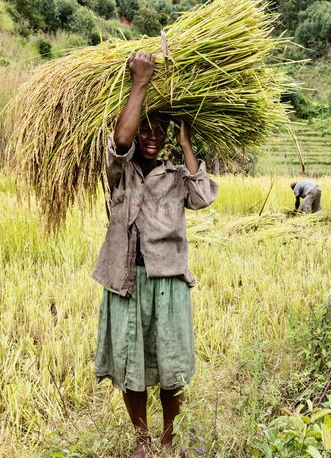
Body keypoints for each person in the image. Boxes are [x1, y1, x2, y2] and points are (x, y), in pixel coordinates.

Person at [91, 51, 218, 458]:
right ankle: (142, 440)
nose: (150, 137)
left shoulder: (177, 176)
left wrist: (185, 144)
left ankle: (169, 435)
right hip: (125, 278)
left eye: (158, 131)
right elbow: (121, 141)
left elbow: (202, 196)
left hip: (167, 279)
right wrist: (140, 83)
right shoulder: (118, 170)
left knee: (170, 366)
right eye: (145, 128)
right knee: (132, 367)